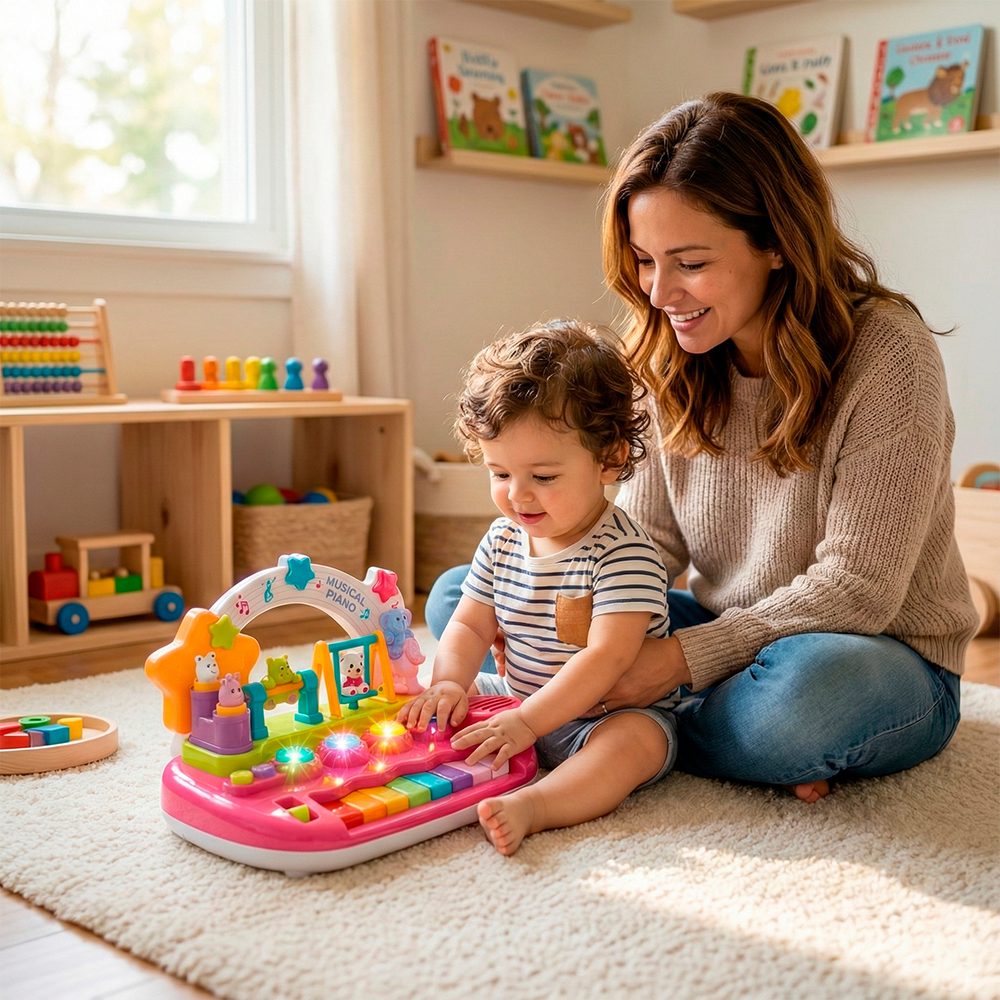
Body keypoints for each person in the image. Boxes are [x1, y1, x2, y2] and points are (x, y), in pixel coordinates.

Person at [426, 92, 978, 806]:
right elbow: (643, 542)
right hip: (723, 628)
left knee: (803, 705)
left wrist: (670, 664)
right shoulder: (670, 353)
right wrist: (577, 618)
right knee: (462, 598)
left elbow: (859, 590)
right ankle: (645, 732)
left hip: (871, 652)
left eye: (688, 262)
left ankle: (637, 731)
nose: (660, 293)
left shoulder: (887, 355)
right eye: (645, 260)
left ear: (777, 241)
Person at [399, 320, 680, 855]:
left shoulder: (625, 553)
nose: (517, 496)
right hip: (514, 698)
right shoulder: (504, 538)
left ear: (611, 459)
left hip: (600, 718)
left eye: (544, 477)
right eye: (499, 473)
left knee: (636, 745)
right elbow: (470, 619)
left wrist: (530, 722)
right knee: (422, 703)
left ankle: (540, 804)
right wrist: (451, 682)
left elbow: (607, 661)